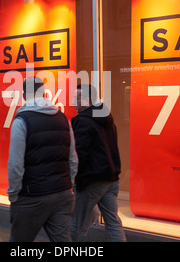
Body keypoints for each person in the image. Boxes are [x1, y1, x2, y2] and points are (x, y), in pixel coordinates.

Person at [7, 76, 78, 242]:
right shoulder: (63, 119)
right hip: (62, 193)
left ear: (24, 95)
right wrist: (67, 183)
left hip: (32, 196)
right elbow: (73, 160)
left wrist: (13, 194)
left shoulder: (21, 121)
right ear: (45, 93)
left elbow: (15, 165)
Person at [70, 84, 126, 242]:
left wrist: (75, 179)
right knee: (113, 222)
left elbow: (79, 154)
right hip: (111, 178)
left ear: (89, 100)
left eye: (79, 98)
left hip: (92, 181)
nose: (75, 101)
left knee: (75, 223)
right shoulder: (107, 118)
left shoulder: (83, 121)